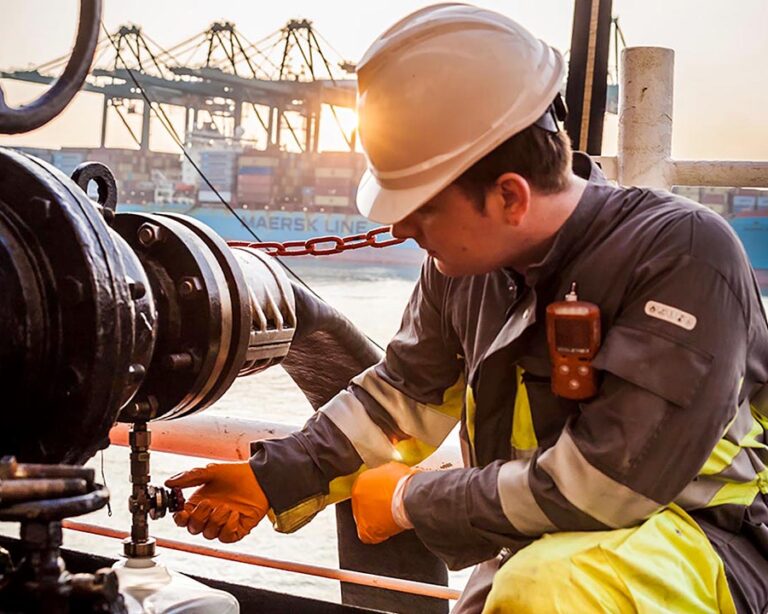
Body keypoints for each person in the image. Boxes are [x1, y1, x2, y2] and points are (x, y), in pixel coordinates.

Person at [166, 5, 768, 612]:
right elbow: (400, 401)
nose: (399, 226)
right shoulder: (463, 268)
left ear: (509, 196)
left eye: (421, 206)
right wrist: (269, 480)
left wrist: (409, 501)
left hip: (707, 548)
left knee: (544, 590)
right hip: (539, 547)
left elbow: (608, 484)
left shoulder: (683, 255)